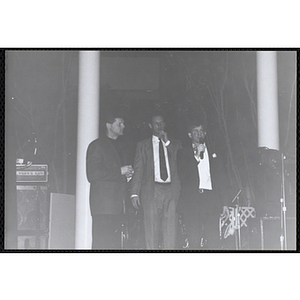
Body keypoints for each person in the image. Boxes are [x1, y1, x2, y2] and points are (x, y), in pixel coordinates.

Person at [130, 114, 181, 249]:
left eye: (162, 123)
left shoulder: (174, 144)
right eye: (156, 123)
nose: (159, 126)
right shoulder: (142, 145)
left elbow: (180, 163)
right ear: (150, 126)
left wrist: (167, 143)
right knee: (151, 233)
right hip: (152, 191)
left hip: (171, 191)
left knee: (171, 234)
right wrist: (134, 193)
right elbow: (138, 170)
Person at [177, 121, 229, 249]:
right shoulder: (183, 153)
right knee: (193, 237)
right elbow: (182, 175)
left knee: (213, 237)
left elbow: (221, 177)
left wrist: (225, 203)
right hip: (192, 200)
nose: (198, 134)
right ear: (189, 134)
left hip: (211, 198)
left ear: (205, 133)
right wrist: (196, 157)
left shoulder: (214, 152)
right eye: (195, 131)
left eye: (201, 131)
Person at [86, 112, 134, 249]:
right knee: (102, 243)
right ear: (108, 125)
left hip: (117, 206)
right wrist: (120, 171)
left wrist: (127, 176)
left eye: (123, 123)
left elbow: (117, 175)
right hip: (103, 207)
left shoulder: (121, 146)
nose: (123, 126)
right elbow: (92, 174)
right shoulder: (97, 146)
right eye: (119, 123)